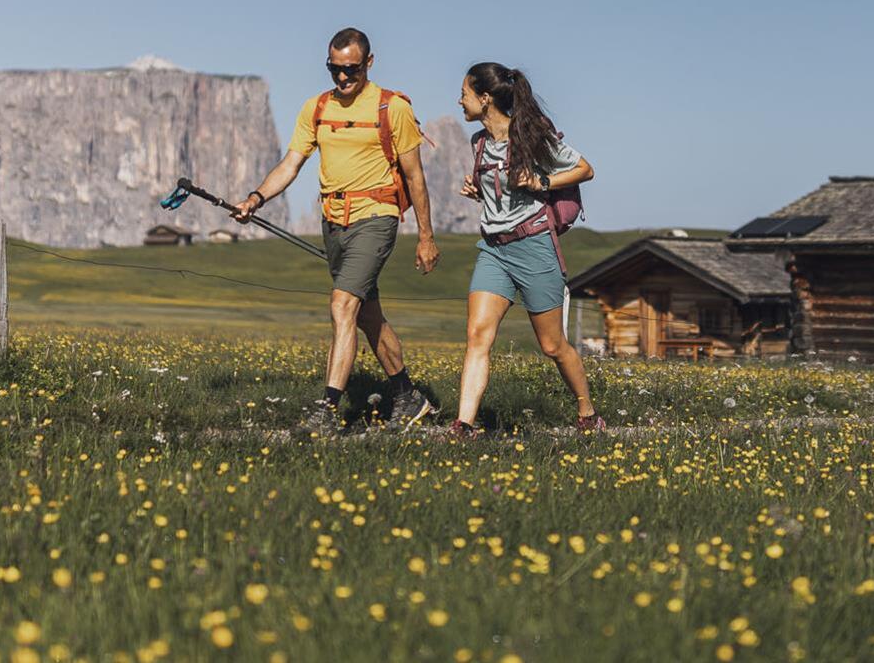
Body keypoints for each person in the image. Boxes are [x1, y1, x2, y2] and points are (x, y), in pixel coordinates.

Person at [235, 28, 441, 435]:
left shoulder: (392, 107)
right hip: (333, 222)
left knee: (342, 304)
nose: (343, 77)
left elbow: (415, 177)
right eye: (334, 69)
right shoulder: (316, 108)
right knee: (367, 315)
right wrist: (256, 198)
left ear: (369, 63)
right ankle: (408, 397)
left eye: (351, 69)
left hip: (376, 216)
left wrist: (426, 237)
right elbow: (291, 164)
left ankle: (327, 411)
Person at [446, 62, 601, 437]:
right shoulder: (478, 143)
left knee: (552, 346)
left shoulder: (531, 135)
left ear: (485, 98)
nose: (459, 100)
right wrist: (478, 192)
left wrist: (540, 181)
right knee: (477, 336)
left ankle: (587, 412)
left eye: (464, 94)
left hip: (534, 246)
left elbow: (585, 169)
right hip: (494, 250)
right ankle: (463, 425)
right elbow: (500, 194)